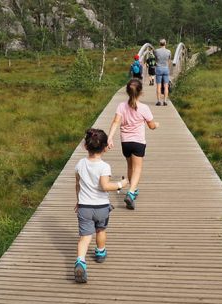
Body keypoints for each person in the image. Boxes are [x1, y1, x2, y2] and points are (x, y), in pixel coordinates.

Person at [74, 128, 129, 283]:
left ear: (85, 146)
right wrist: (121, 184)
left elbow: (77, 184)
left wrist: (78, 201)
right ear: (105, 148)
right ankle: (100, 252)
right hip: (101, 208)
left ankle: (80, 261)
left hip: (84, 206)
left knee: (84, 237)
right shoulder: (104, 166)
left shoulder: (79, 164)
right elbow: (105, 186)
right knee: (100, 230)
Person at [107, 79, 159, 210]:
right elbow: (151, 126)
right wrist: (156, 125)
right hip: (138, 142)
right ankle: (130, 192)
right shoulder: (144, 108)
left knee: (130, 166)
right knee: (138, 168)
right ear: (141, 92)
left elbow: (115, 122)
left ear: (127, 92)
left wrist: (110, 138)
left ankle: (133, 189)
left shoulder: (121, 106)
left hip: (125, 142)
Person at [154, 39, 171, 106]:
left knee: (158, 86)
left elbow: (155, 59)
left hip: (158, 68)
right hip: (166, 68)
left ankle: (158, 101)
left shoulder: (156, 51)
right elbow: (169, 60)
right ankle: (165, 101)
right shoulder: (168, 51)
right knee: (166, 86)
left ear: (159, 44)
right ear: (165, 43)